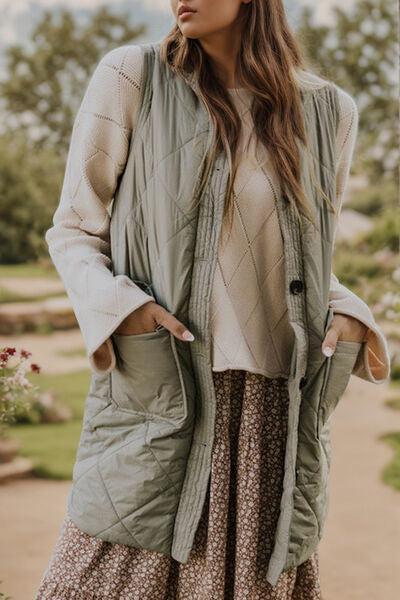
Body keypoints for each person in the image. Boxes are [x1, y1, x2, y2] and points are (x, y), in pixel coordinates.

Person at [36, 1, 390, 598]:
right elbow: (73, 229)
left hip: (274, 417)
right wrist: (126, 310)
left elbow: (307, 262)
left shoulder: (332, 112)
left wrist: (355, 317)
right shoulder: (131, 77)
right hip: (165, 391)